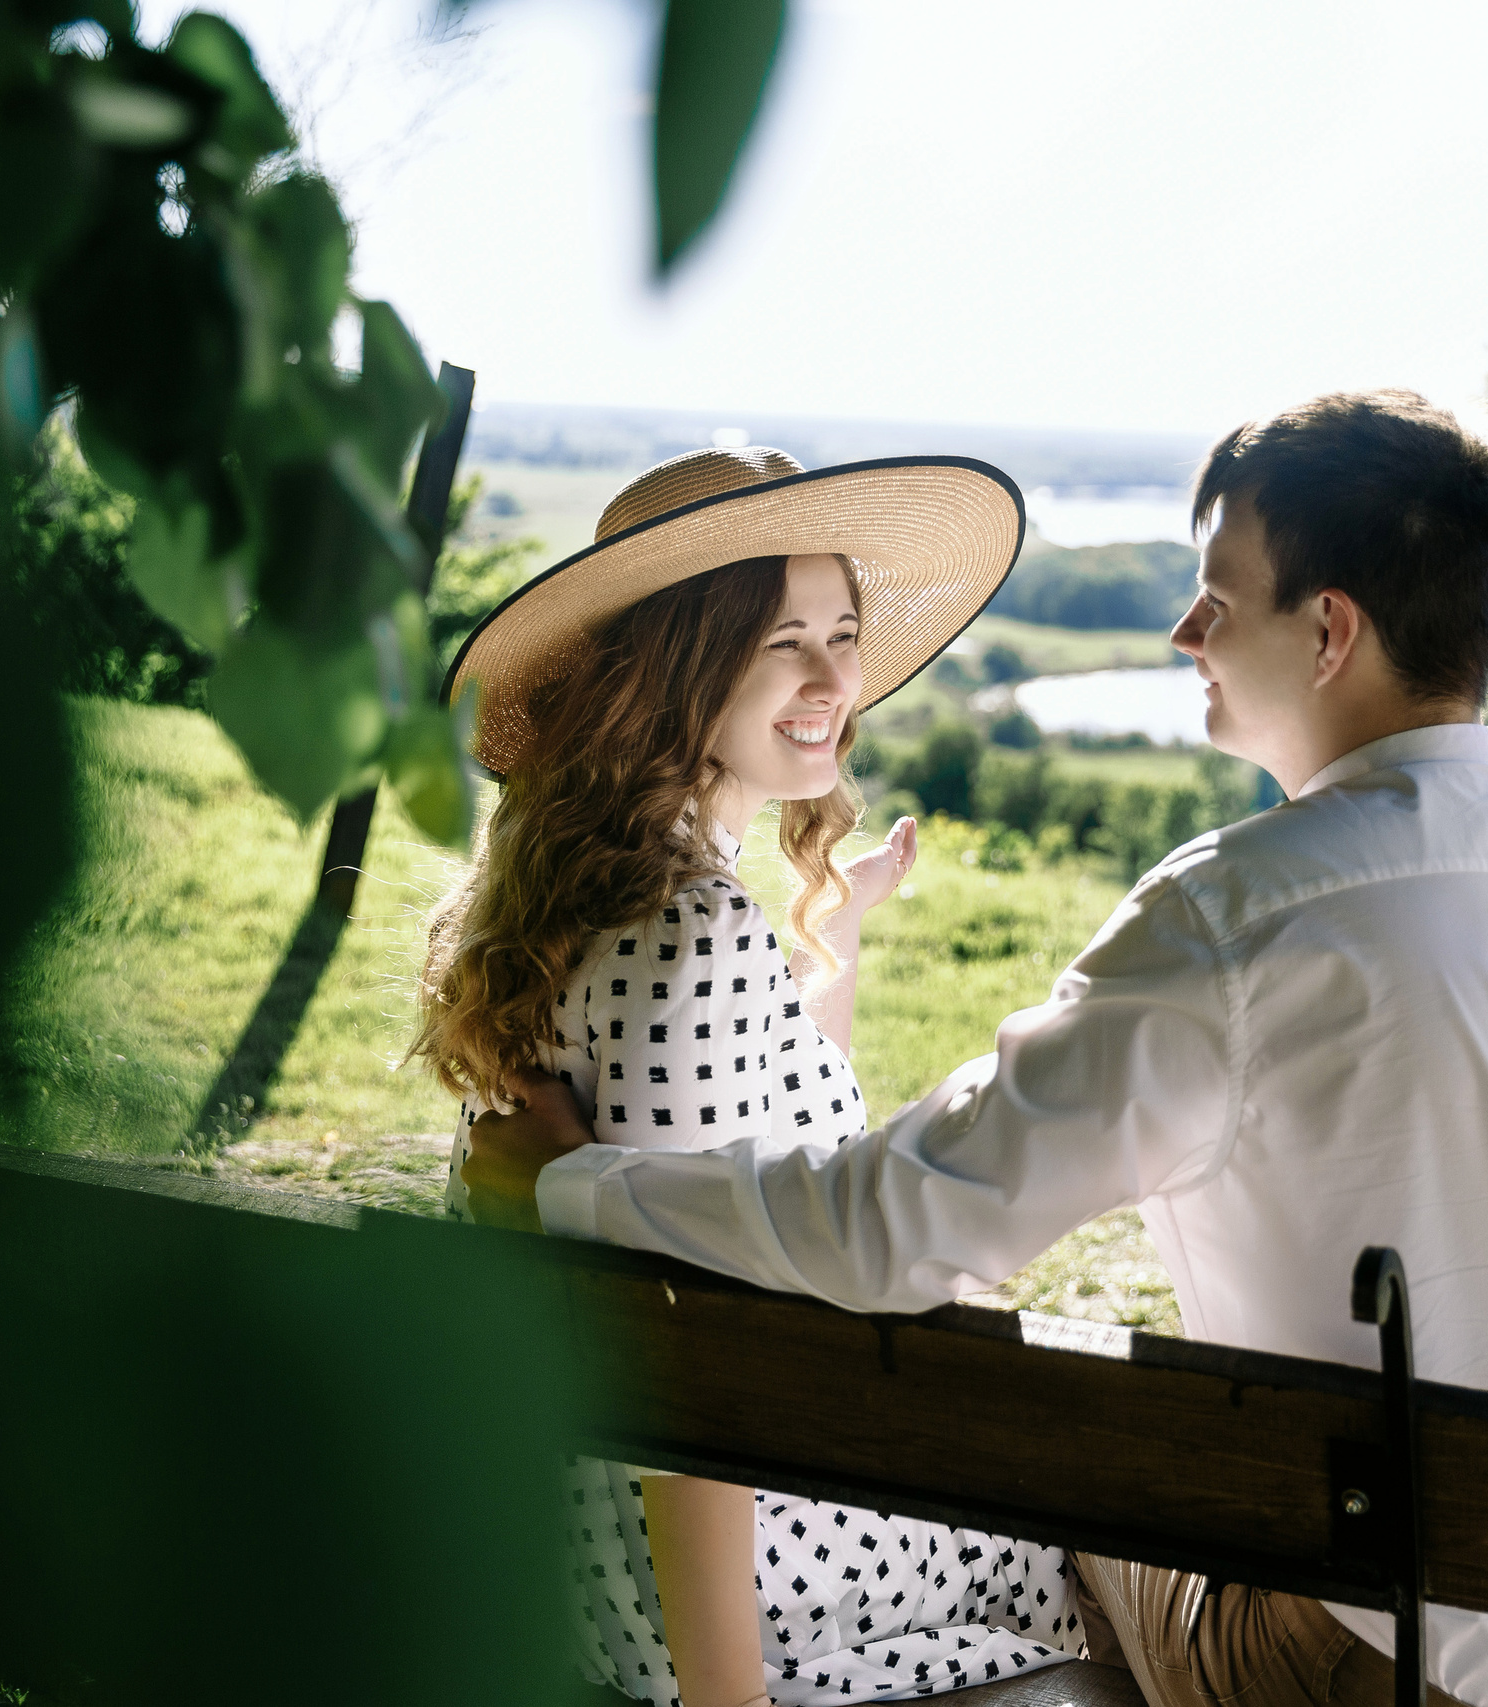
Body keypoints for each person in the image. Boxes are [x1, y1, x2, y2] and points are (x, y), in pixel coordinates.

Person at [463, 392, 1488, 1707]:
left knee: (1067, 1494)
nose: (1183, 628)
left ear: (1330, 632)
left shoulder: (1239, 916)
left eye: (1220, 596)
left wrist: (567, 1184)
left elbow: (898, 1223)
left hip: (1407, 1669)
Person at [415, 444, 1086, 1707]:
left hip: (587, 1564)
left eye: (844, 632)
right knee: (1078, 1507)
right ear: (676, 669)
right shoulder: (693, 929)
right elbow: (692, 1351)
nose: (841, 678)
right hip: (740, 1585)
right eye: (788, 643)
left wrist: (830, 943)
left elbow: (736, 1150)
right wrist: (729, 1696)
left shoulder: (583, 883)